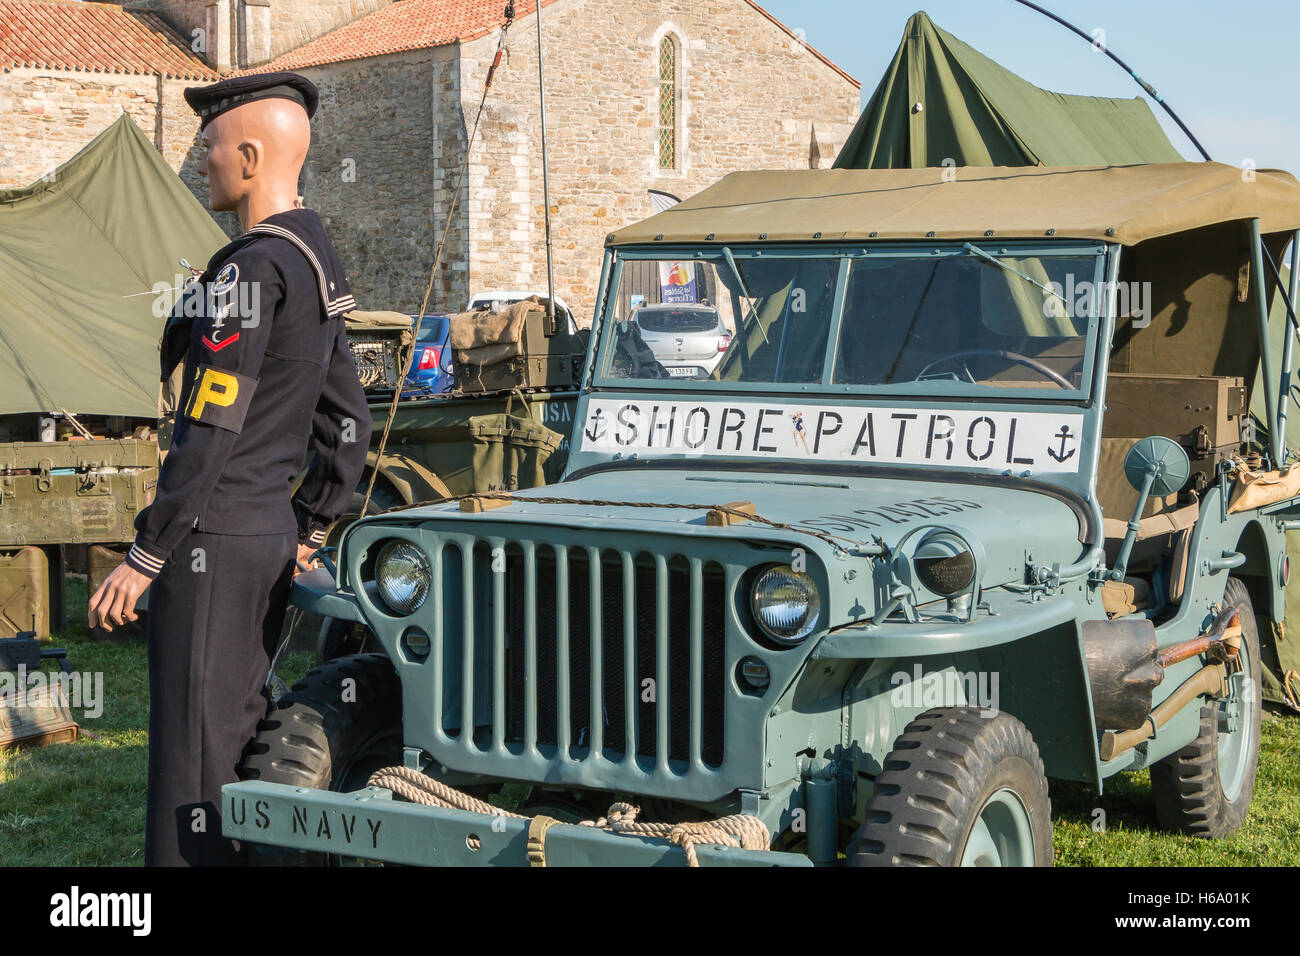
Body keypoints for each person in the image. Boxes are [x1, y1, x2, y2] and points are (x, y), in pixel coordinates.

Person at [87, 71, 373, 866]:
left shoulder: (250, 271)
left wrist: (148, 553)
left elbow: (209, 429)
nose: (200, 161)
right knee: (240, 737)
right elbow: (349, 422)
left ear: (248, 156)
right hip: (267, 540)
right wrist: (311, 522)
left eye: (208, 146)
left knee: (191, 759)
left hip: (210, 543)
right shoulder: (315, 261)